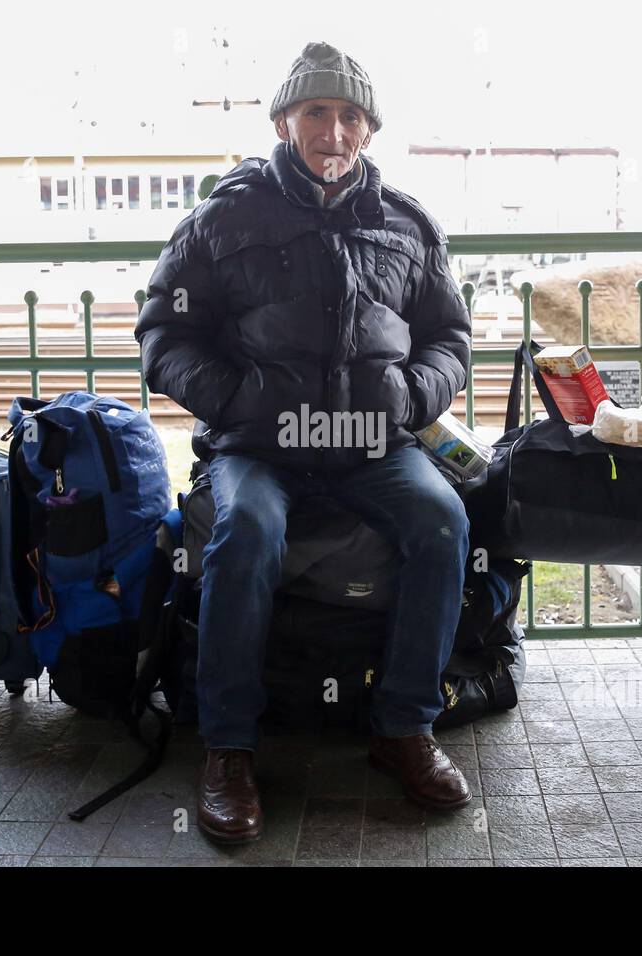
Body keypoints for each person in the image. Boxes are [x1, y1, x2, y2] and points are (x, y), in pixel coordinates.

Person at [134, 40, 473, 845]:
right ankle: (228, 748)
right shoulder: (223, 217)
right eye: (317, 111)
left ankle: (402, 729)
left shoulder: (408, 224)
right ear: (285, 121)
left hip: (371, 444)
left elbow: (450, 339)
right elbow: (164, 334)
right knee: (246, 529)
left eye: (351, 116)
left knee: (445, 522)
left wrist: (407, 395)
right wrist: (239, 402)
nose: (335, 130)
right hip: (261, 446)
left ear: (368, 131)